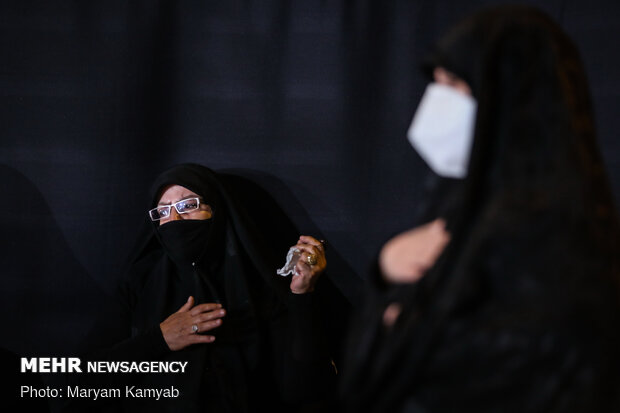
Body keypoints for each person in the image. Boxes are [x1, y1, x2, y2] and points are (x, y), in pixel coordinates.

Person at [341, 5, 620, 413]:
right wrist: (385, 273)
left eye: (453, 84)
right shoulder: (460, 206)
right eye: (435, 83)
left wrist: (404, 327)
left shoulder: (557, 238)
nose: (435, 103)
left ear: (511, 92)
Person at [68, 163, 337, 412]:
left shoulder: (259, 282)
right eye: (162, 211)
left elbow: (305, 388)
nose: (174, 220)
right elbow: (81, 377)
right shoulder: (141, 280)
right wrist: (160, 339)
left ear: (216, 210)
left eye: (188, 205)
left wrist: (302, 295)